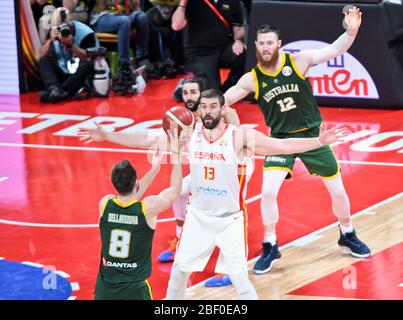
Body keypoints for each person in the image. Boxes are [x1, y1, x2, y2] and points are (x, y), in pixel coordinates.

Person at [223, 7, 371, 274]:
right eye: (262, 43)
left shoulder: (299, 61)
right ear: (255, 45)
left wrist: (351, 31)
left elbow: (335, 50)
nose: (266, 47)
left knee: (337, 190)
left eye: (271, 43)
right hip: (279, 140)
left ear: (279, 44)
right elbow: (225, 99)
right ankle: (270, 244)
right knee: (268, 192)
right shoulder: (252, 79)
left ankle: (347, 232)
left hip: (313, 136)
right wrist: (201, 106)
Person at [165, 89, 348, 300]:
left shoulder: (238, 134)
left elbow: (280, 145)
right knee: (178, 272)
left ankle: (228, 265)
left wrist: (318, 141)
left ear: (223, 108)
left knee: (239, 277)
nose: (207, 110)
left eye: (213, 106)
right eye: (203, 106)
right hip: (199, 214)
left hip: (230, 212)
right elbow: (147, 140)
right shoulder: (192, 134)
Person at [78, 77, 241, 287]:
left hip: (230, 175)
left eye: (194, 92)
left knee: (225, 217)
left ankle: (232, 267)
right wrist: (108, 135)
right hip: (204, 174)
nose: (189, 96)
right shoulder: (182, 122)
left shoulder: (216, 116)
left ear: (203, 95)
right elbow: (146, 138)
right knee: (179, 192)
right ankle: (179, 241)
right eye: (185, 92)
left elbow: (238, 128)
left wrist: (232, 119)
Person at [94, 132, 185, 300]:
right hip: (134, 290)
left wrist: (153, 170)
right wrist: (175, 155)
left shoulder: (105, 204)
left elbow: (128, 198)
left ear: (113, 183)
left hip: (105, 289)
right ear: (136, 183)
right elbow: (175, 190)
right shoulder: (147, 209)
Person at [171, 0, 247, 92]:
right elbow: (176, 26)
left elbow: (238, 26)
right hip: (200, 53)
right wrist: (183, 4)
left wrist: (238, 40)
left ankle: (229, 89)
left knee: (243, 54)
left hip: (223, 48)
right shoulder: (191, 2)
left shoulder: (234, 2)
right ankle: (186, 86)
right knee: (211, 92)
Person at [38, 7, 99, 103]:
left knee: (90, 65)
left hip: (81, 76)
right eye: (58, 27)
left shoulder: (86, 34)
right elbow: (41, 56)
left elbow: (90, 58)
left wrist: (72, 45)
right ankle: (54, 89)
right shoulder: (54, 31)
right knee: (44, 61)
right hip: (63, 72)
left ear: (72, 23)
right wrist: (50, 41)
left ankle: (60, 93)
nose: (62, 29)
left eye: (66, 26)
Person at [89, 0, 150, 78]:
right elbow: (101, 5)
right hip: (102, 18)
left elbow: (136, 8)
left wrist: (133, 3)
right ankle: (124, 65)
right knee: (124, 21)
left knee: (142, 17)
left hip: (124, 16)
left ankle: (141, 58)